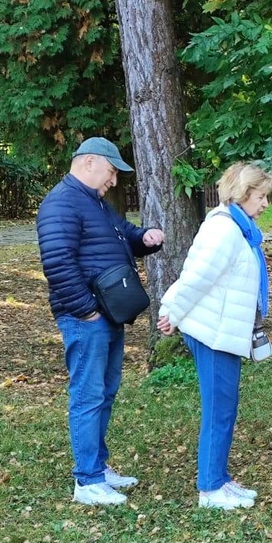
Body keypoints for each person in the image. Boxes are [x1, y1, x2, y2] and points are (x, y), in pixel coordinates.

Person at [37, 136, 164, 506]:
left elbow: (123, 235)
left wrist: (145, 238)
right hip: (86, 316)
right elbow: (58, 263)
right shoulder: (61, 202)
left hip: (108, 314)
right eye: (111, 171)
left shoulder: (94, 203)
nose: (113, 180)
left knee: (104, 392)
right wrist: (86, 309)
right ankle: (87, 480)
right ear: (89, 162)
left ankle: (97, 466)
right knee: (88, 395)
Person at [157, 162, 272, 510]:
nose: (265, 203)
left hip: (222, 330)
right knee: (219, 410)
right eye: (261, 195)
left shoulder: (241, 229)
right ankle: (210, 488)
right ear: (243, 194)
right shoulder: (225, 230)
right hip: (211, 333)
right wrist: (173, 312)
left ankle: (219, 479)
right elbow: (196, 277)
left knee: (224, 408)